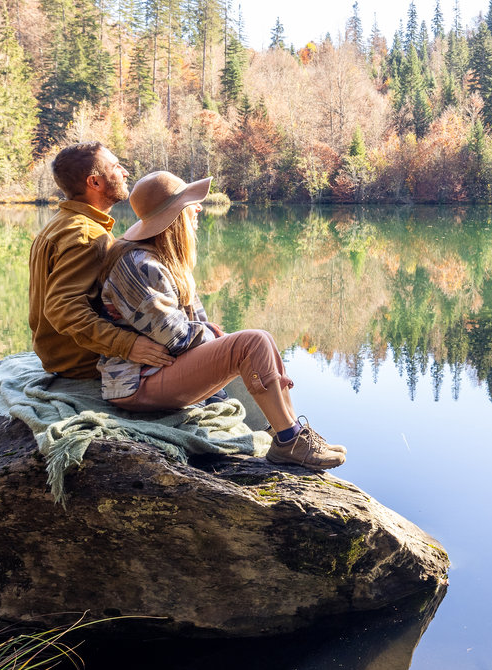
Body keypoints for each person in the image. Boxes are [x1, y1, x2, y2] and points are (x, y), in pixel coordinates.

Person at [97, 170, 346, 470]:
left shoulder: (164, 260)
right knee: (251, 343)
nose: (199, 207)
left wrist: (223, 342)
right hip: (136, 384)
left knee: (261, 339)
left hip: (159, 371)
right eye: (190, 203)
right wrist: (221, 341)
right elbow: (176, 337)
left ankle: (290, 431)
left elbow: (197, 325)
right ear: (173, 217)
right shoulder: (137, 266)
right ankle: (288, 440)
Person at [29, 143, 175, 379]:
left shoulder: (61, 223)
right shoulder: (86, 236)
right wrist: (128, 345)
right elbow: (63, 309)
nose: (125, 172)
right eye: (116, 167)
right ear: (95, 182)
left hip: (59, 356)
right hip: (83, 362)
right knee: (185, 347)